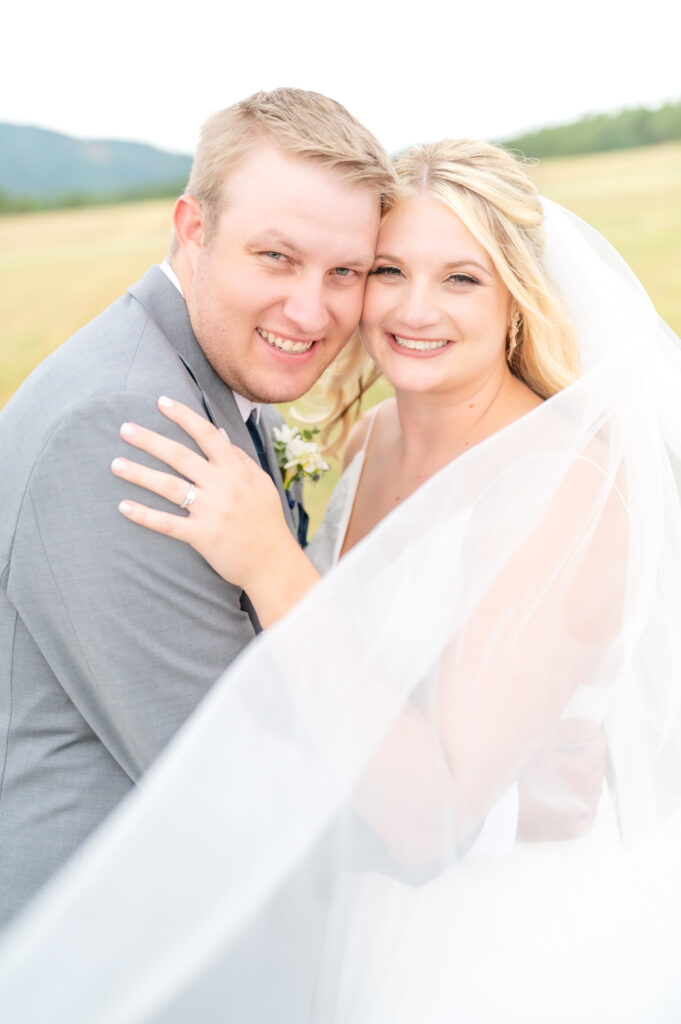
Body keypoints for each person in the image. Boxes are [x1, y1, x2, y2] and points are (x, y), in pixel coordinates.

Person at [1, 140, 679, 1022]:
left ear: (516, 296)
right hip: (345, 916)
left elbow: (430, 806)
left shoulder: (562, 485)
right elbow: (308, 693)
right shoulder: (372, 440)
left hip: (487, 943)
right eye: (387, 271)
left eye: (461, 279)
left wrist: (272, 563)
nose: (413, 308)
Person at [0, 87, 395, 925]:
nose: (311, 311)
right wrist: (455, 802)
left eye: (346, 272)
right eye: (276, 258)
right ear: (193, 229)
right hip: (101, 952)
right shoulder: (122, 421)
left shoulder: (208, 375)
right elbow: (232, 785)